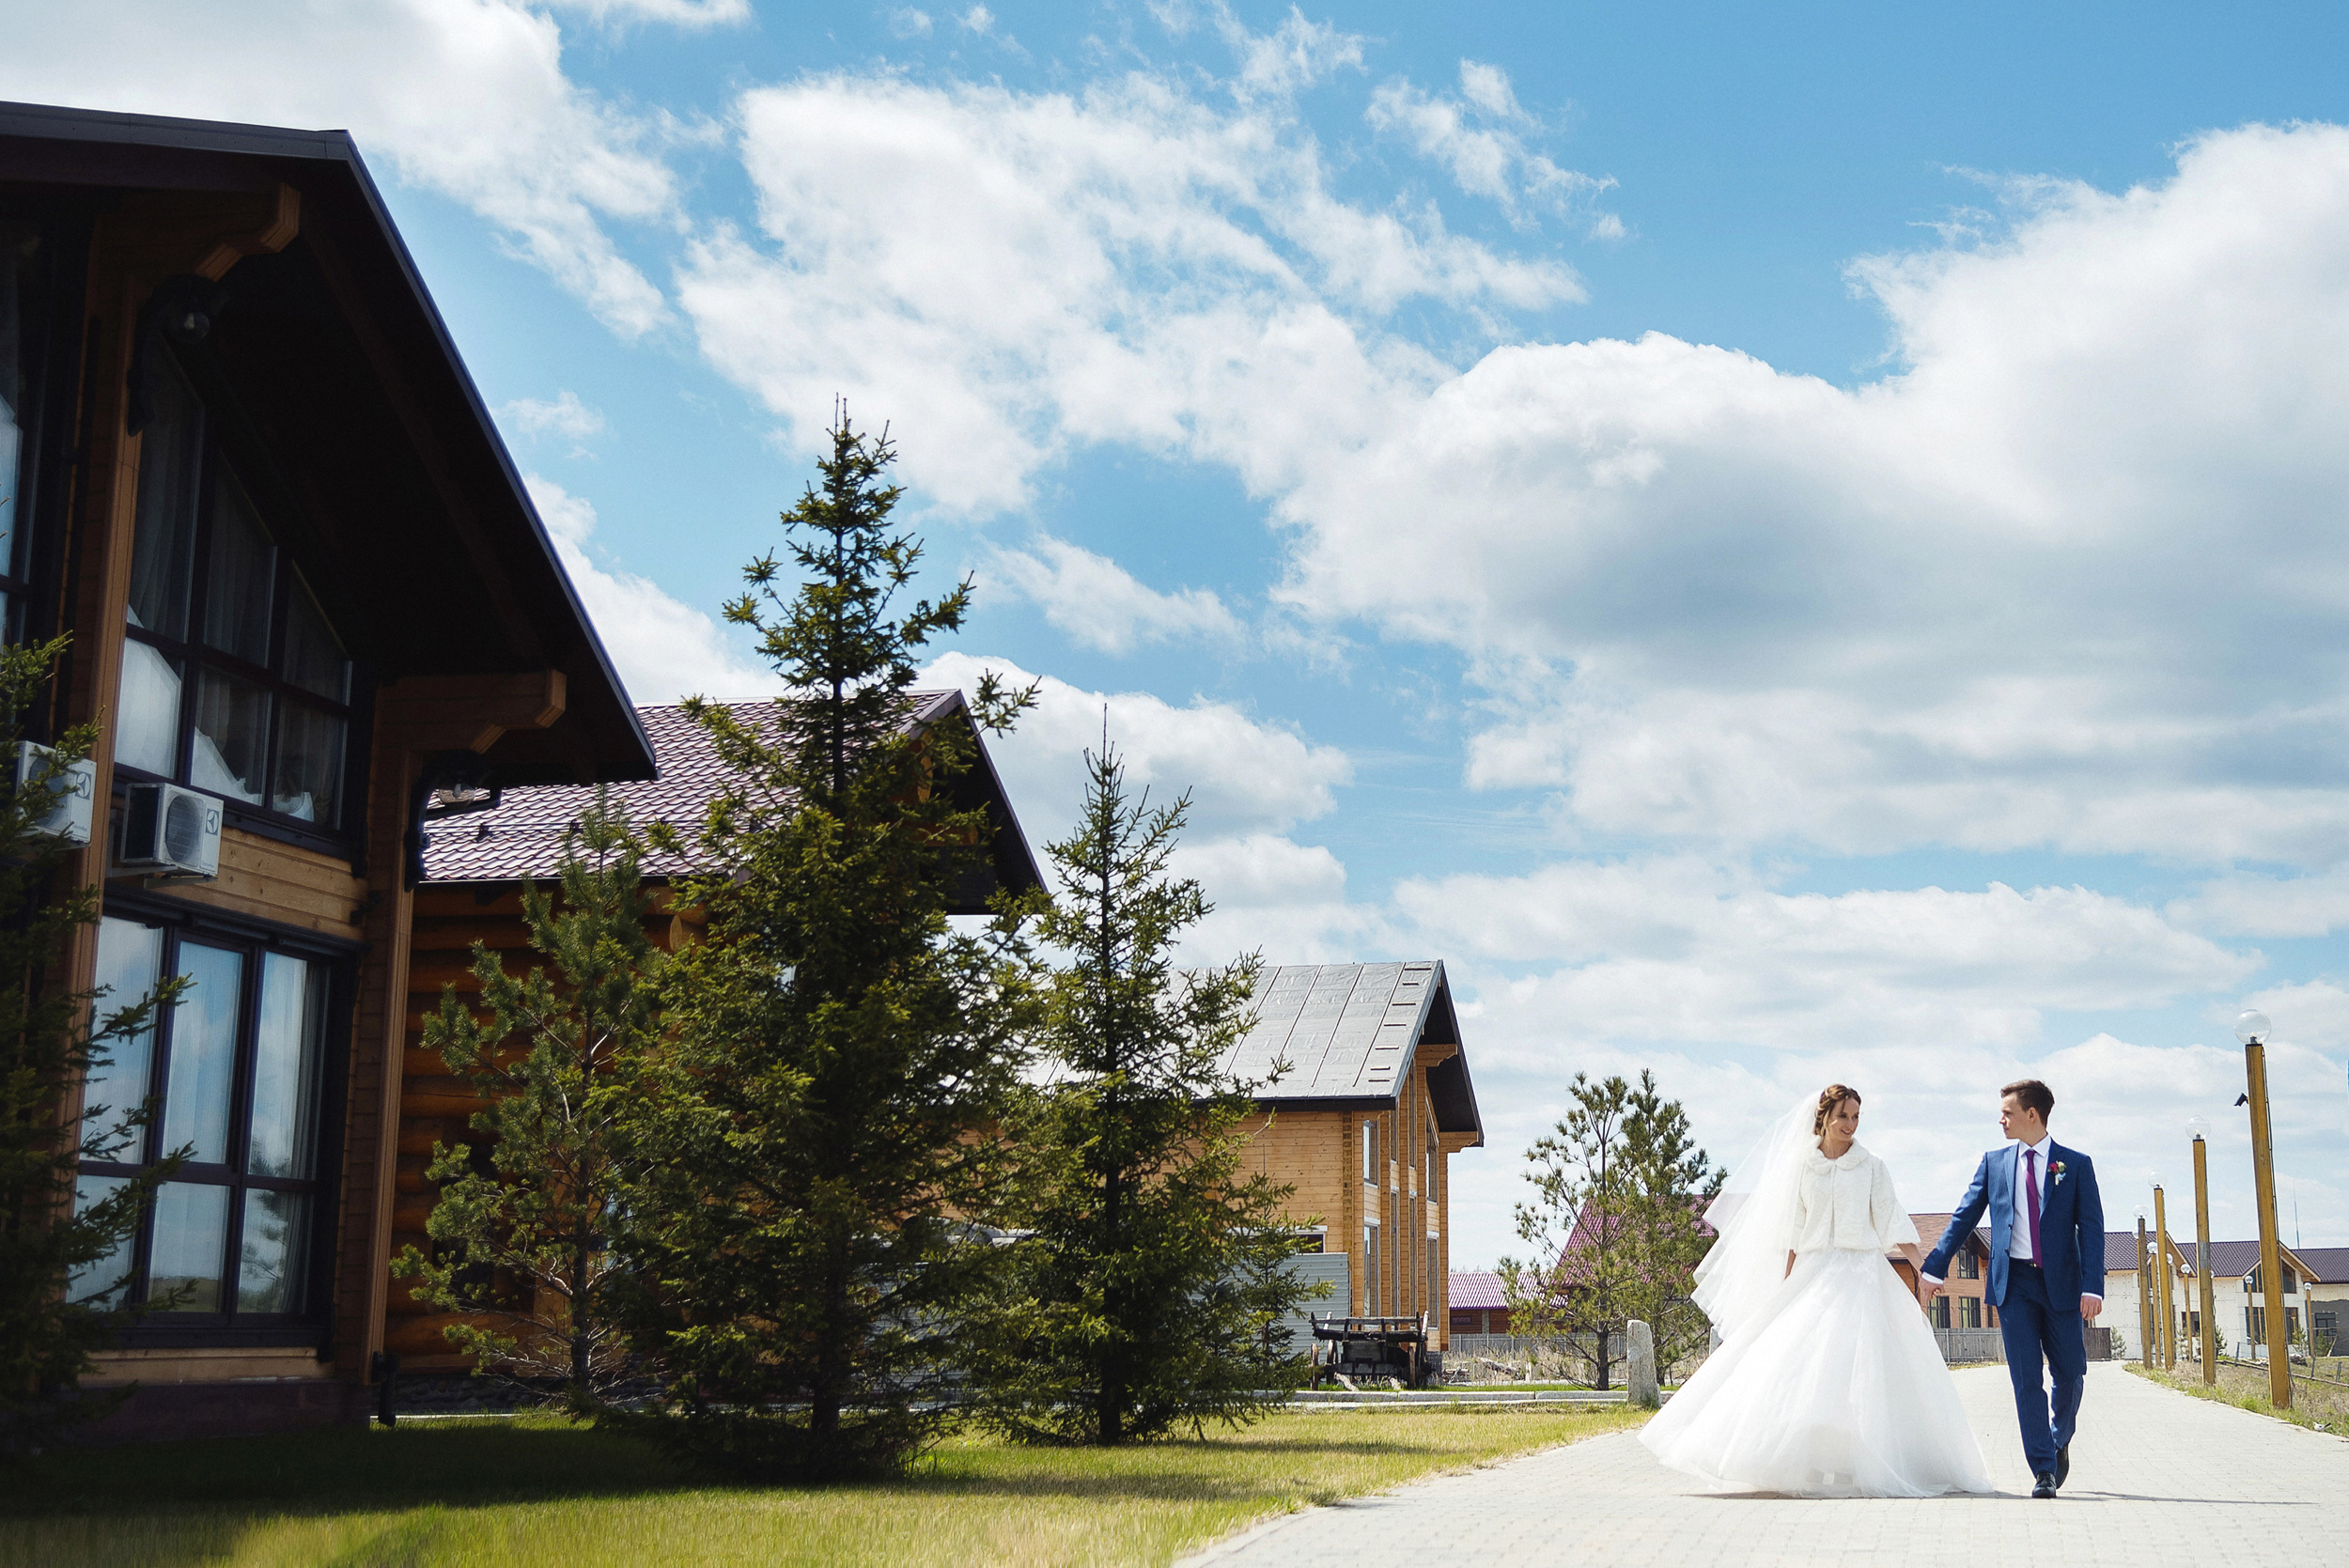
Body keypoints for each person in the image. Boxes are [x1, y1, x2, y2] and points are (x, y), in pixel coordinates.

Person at [1640, 1083, 1993, 1498]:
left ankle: (1853, 1465)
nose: (1850, 1124)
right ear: (1824, 1117)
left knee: (1856, 1373)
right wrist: (1785, 1289)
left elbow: (1892, 1220)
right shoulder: (1802, 1166)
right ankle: (1803, 1463)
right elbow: (1792, 1233)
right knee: (1798, 1371)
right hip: (1812, 1273)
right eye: (1843, 1115)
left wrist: (1928, 1270)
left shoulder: (1872, 1166)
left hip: (1862, 1275)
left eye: (1857, 1116)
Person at [1918, 1079, 2103, 1500]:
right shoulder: (1995, 1162)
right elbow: (1964, 1216)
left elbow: (2091, 1229)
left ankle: (2059, 1438)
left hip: (2062, 1287)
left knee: (2071, 1372)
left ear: (2031, 1114)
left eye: (2007, 1112)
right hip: (2013, 1285)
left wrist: (2093, 1286)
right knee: (2025, 1379)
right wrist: (1933, 1266)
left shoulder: (2074, 1165)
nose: (2000, 1119)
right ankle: (2043, 1470)